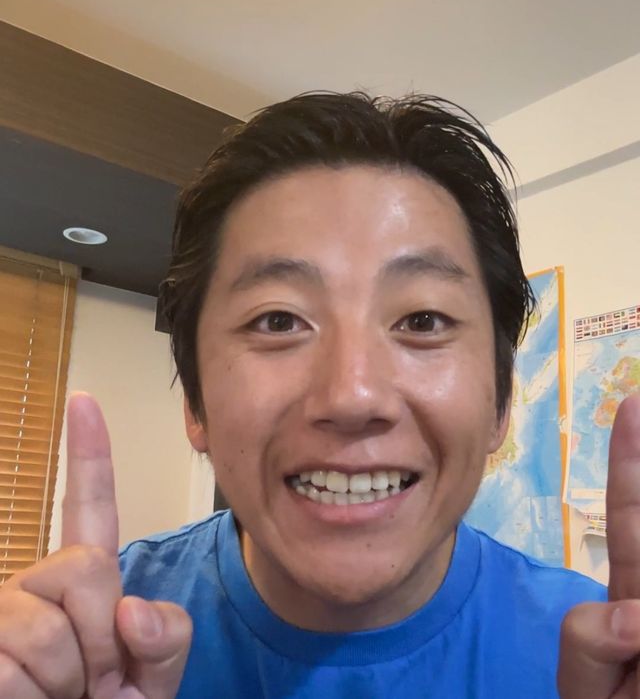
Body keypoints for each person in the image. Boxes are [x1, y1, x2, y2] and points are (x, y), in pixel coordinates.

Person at [0, 92, 638, 699]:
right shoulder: (90, 651)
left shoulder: (606, 661)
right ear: (195, 402)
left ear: (501, 401)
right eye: (278, 320)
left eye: (422, 320)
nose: (352, 395)